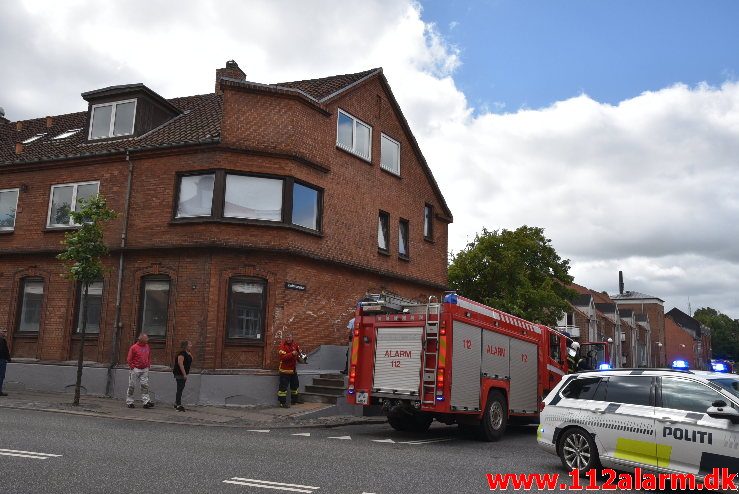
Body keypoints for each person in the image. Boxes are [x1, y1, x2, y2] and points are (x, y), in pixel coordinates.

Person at [126, 333, 153, 408]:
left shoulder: (147, 346)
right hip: (135, 369)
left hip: (145, 369)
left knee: (145, 386)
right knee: (132, 385)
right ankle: (129, 401)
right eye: (146, 338)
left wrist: (148, 365)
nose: (148, 339)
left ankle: (146, 401)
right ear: (141, 339)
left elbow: (149, 356)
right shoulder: (134, 347)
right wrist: (132, 367)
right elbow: (129, 359)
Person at [277, 333, 303, 408]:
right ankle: (282, 402)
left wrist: (301, 358)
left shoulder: (295, 345)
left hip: (293, 370)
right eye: (287, 337)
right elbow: (282, 358)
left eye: (289, 337)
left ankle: (294, 400)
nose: (288, 339)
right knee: (283, 388)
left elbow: (298, 354)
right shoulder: (282, 346)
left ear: (292, 338)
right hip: (284, 370)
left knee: (295, 385)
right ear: (285, 338)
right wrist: (292, 354)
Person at [173, 340, 192, 412]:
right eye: (190, 344)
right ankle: (178, 405)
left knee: (181, 388)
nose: (191, 345)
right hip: (179, 373)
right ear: (186, 346)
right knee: (180, 389)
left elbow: (189, 361)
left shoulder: (188, 353)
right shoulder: (181, 353)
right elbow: (180, 364)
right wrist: (184, 374)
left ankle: (176, 403)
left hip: (184, 373)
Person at [0, 327, 10, 397]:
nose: (6, 333)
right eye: (4, 331)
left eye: (6, 331)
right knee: (1, 376)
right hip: (1, 360)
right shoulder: (2, 340)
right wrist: (8, 358)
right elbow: (3, 350)